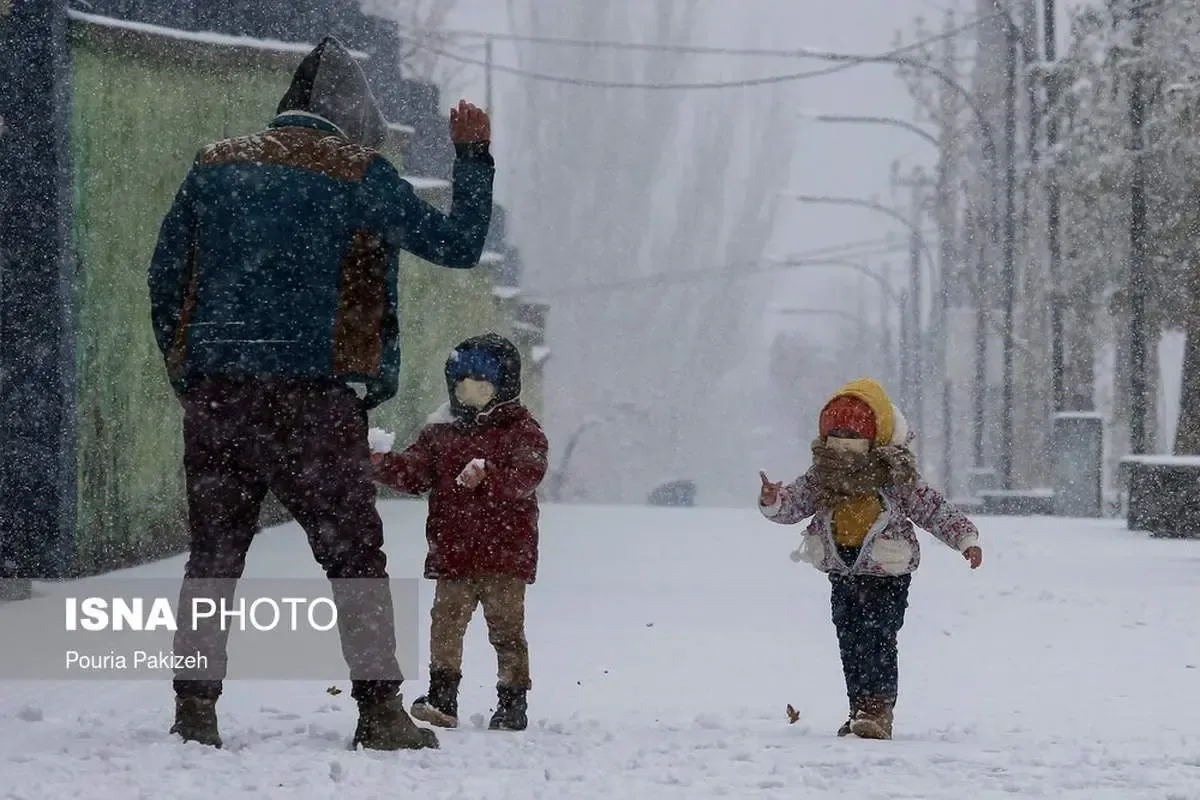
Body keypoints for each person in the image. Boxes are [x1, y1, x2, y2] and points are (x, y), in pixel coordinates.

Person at [146, 35, 495, 751]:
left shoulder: (214, 165)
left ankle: (195, 709)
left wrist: (191, 376)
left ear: (286, 109)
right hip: (314, 399)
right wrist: (472, 158)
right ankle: (379, 710)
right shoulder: (358, 172)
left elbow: (164, 278)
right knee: (354, 555)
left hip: (221, 398)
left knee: (214, 556)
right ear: (351, 118)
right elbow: (459, 244)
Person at [757, 377, 983, 741]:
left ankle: (878, 709)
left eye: (854, 431)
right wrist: (773, 500)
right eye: (838, 431)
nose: (845, 441)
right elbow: (795, 503)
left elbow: (933, 509)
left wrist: (965, 538)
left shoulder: (896, 476)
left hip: (886, 573)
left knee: (878, 636)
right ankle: (859, 707)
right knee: (849, 637)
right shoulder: (824, 476)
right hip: (843, 569)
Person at [371, 333, 548, 732]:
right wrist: (380, 463)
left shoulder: (522, 430)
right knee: (445, 624)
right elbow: (416, 473)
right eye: (462, 386)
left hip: (505, 554)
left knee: (505, 629)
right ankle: (442, 696)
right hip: (453, 552)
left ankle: (512, 699)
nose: (469, 394)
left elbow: (527, 475)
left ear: (503, 387)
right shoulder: (441, 433)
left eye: (481, 386)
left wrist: (490, 474)